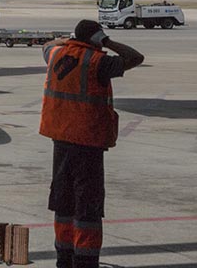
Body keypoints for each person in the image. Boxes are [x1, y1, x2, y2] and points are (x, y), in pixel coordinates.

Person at [40, 20, 144, 268]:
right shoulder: (98, 62)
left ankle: (64, 258)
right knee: (88, 206)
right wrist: (106, 42)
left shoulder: (55, 54)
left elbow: (47, 44)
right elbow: (135, 57)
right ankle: (86, 260)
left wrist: (70, 39)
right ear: (96, 38)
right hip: (87, 143)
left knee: (63, 202)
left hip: (61, 140)